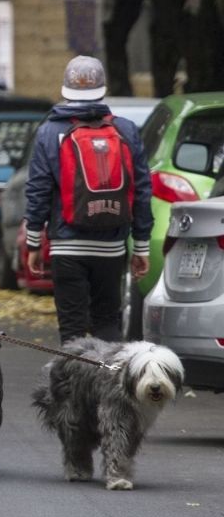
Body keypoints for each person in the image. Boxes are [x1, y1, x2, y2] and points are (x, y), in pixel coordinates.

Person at [25, 55, 153, 345]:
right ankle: (106, 386)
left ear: (65, 90)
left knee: (72, 331)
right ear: (102, 90)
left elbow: (38, 190)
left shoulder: (49, 132)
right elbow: (142, 189)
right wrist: (141, 246)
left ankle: (72, 389)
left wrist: (34, 242)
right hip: (111, 246)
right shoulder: (126, 130)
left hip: (66, 246)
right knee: (107, 323)